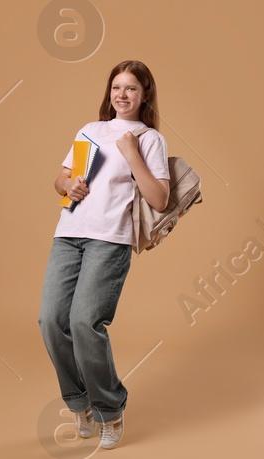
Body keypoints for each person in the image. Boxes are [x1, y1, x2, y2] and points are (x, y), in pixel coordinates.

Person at [41, 59, 169, 451]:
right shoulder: (90, 130)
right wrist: (70, 184)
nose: (122, 95)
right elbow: (61, 179)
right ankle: (79, 402)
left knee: (84, 322)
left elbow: (160, 199)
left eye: (131, 88)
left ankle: (109, 409)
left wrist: (131, 155)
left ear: (144, 94)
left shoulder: (148, 139)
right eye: (117, 87)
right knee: (51, 320)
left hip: (109, 240)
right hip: (68, 234)